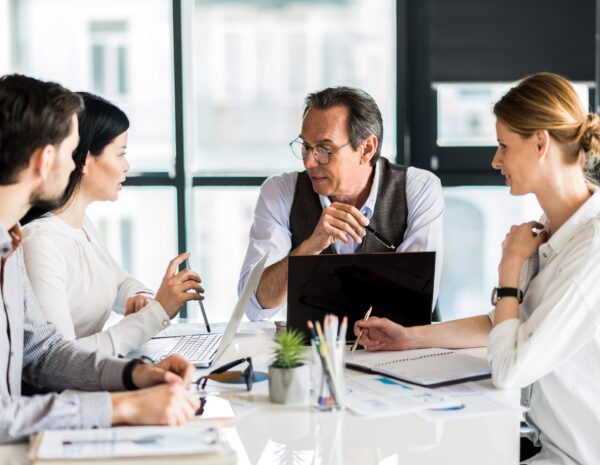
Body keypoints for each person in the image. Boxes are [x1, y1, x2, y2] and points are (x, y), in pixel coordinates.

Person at [354, 73, 600, 464]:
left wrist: (510, 270)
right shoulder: (554, 227)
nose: (495, 160)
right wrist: (408, 337)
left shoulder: (591, 253)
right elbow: (501, 325)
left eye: (504, 146)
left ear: (540, 142)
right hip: (539, 442)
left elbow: (508, 368)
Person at [0, 74, 199, 443]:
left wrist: (133, 376)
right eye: (71, 150)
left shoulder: (8, 245)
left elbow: (43, 354)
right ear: (46, 160)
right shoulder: (32, 241)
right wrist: (124, 408)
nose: (75, 161)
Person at [20, 93, 203, 356]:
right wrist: (157, 313)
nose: (127, 166)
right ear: (82, 159)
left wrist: (142, 297)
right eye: (120, 154)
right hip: (72, 391)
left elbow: (118, 282)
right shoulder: (40, 243)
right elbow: (61, 360)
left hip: (95, 380)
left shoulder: (81, 225)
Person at [238, 86, 444, 321]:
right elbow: (256, 305)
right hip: (311, 352)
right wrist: (310, 247)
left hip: (397, 352)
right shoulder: (280, 192)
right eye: (305, 146)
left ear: (366, 149)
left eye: (325, 150)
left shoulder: (418, 189)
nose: (308, 161)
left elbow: (415, 301)